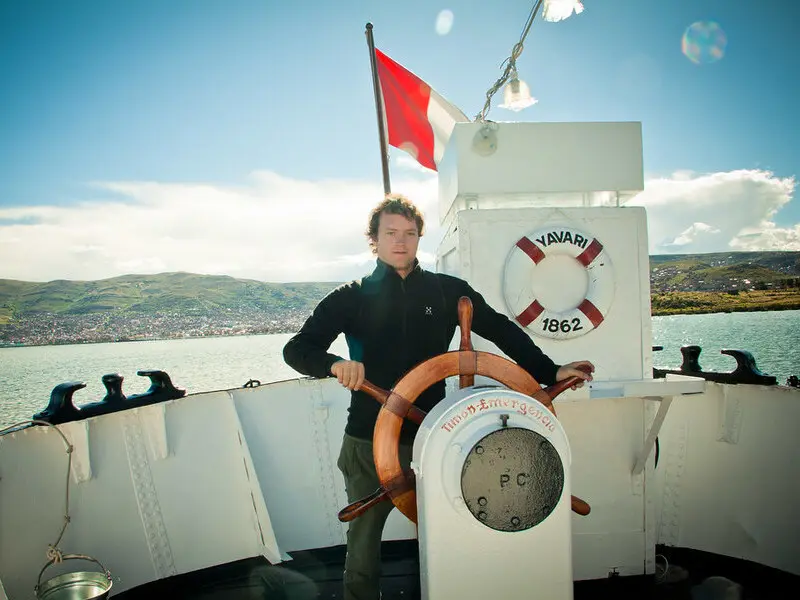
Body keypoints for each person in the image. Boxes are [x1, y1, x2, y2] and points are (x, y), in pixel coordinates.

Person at [283, 194, 594, 600]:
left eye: (410, 234)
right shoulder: (351, 296)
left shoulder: (448, 292)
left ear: (418, 239)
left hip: (436, 436)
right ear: (373, 240)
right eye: (391, 233)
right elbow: (297, 349)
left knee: (455, 526)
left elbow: (502, 331)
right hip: (367, 438)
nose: (401, 241)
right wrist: (333, 364)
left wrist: (550, 371)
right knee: (363, 537)